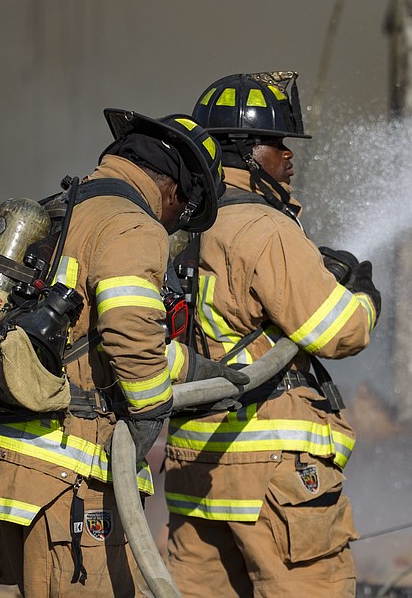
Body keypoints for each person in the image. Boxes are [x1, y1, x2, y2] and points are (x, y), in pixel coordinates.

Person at [0, 109, 247, 596]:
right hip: (69, 476)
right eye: (183, 211)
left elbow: (90, 339)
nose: (174, 224)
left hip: (19, 468)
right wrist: (154, 408)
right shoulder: (133, 225)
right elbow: (129, 329)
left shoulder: (63, 210)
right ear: (174, 188)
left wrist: (195, 372)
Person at [163, 71, 381, 597]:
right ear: (240, 152)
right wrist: (366, 299)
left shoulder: (181, 228)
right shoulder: (266, 228)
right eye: (277, 143)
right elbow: (339, 331)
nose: (290, 157)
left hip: (197, 471)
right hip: (276, 475)